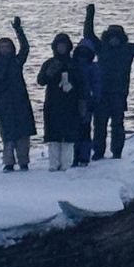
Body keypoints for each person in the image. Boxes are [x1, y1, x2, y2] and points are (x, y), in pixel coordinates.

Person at [84, 3, 134, 160]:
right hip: (102, 93)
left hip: (119, 94)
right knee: (99, 125)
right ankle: (98, 152)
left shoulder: (127, 50)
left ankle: (117, 152)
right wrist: (90, 15)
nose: (114, 40)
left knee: (117, 125)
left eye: (116, 37)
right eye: (111, 37)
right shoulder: (101, 47)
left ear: (121, 38)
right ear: (107, 37)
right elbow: (88, 35)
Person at [0, 16, 37, 172]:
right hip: (3, 104)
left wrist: (18, 30)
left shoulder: (17, 61)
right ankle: (8, 163)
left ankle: (23, 161)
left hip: (20, 102)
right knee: (7, 135)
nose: (5, 49)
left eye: (7, 46)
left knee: (23, 135)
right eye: (2, 47)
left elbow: (25, 48)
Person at [36, 33, 84, 171]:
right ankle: (53, 163)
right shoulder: (49, 63)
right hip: (53, 103)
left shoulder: (74, 64)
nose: (61, 48)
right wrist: (50, 72)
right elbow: (40, 81)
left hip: (71, 104)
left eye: (64, 46)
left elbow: (81, 84)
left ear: (68, 47)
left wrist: (82, 103)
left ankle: (66, 164)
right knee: (53, 136)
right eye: (59, 46)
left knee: (69, 136)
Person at [72, 36, 102, 167]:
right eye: (81, 51)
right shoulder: (72, 65)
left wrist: (95, 99)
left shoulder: (93, 68)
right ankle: (74, 156)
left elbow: (97, 85)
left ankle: (84, 157)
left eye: (86, 51)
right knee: (75, 130)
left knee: (84, 130)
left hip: (86, 102)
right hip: (73, 102)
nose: (83, 54)